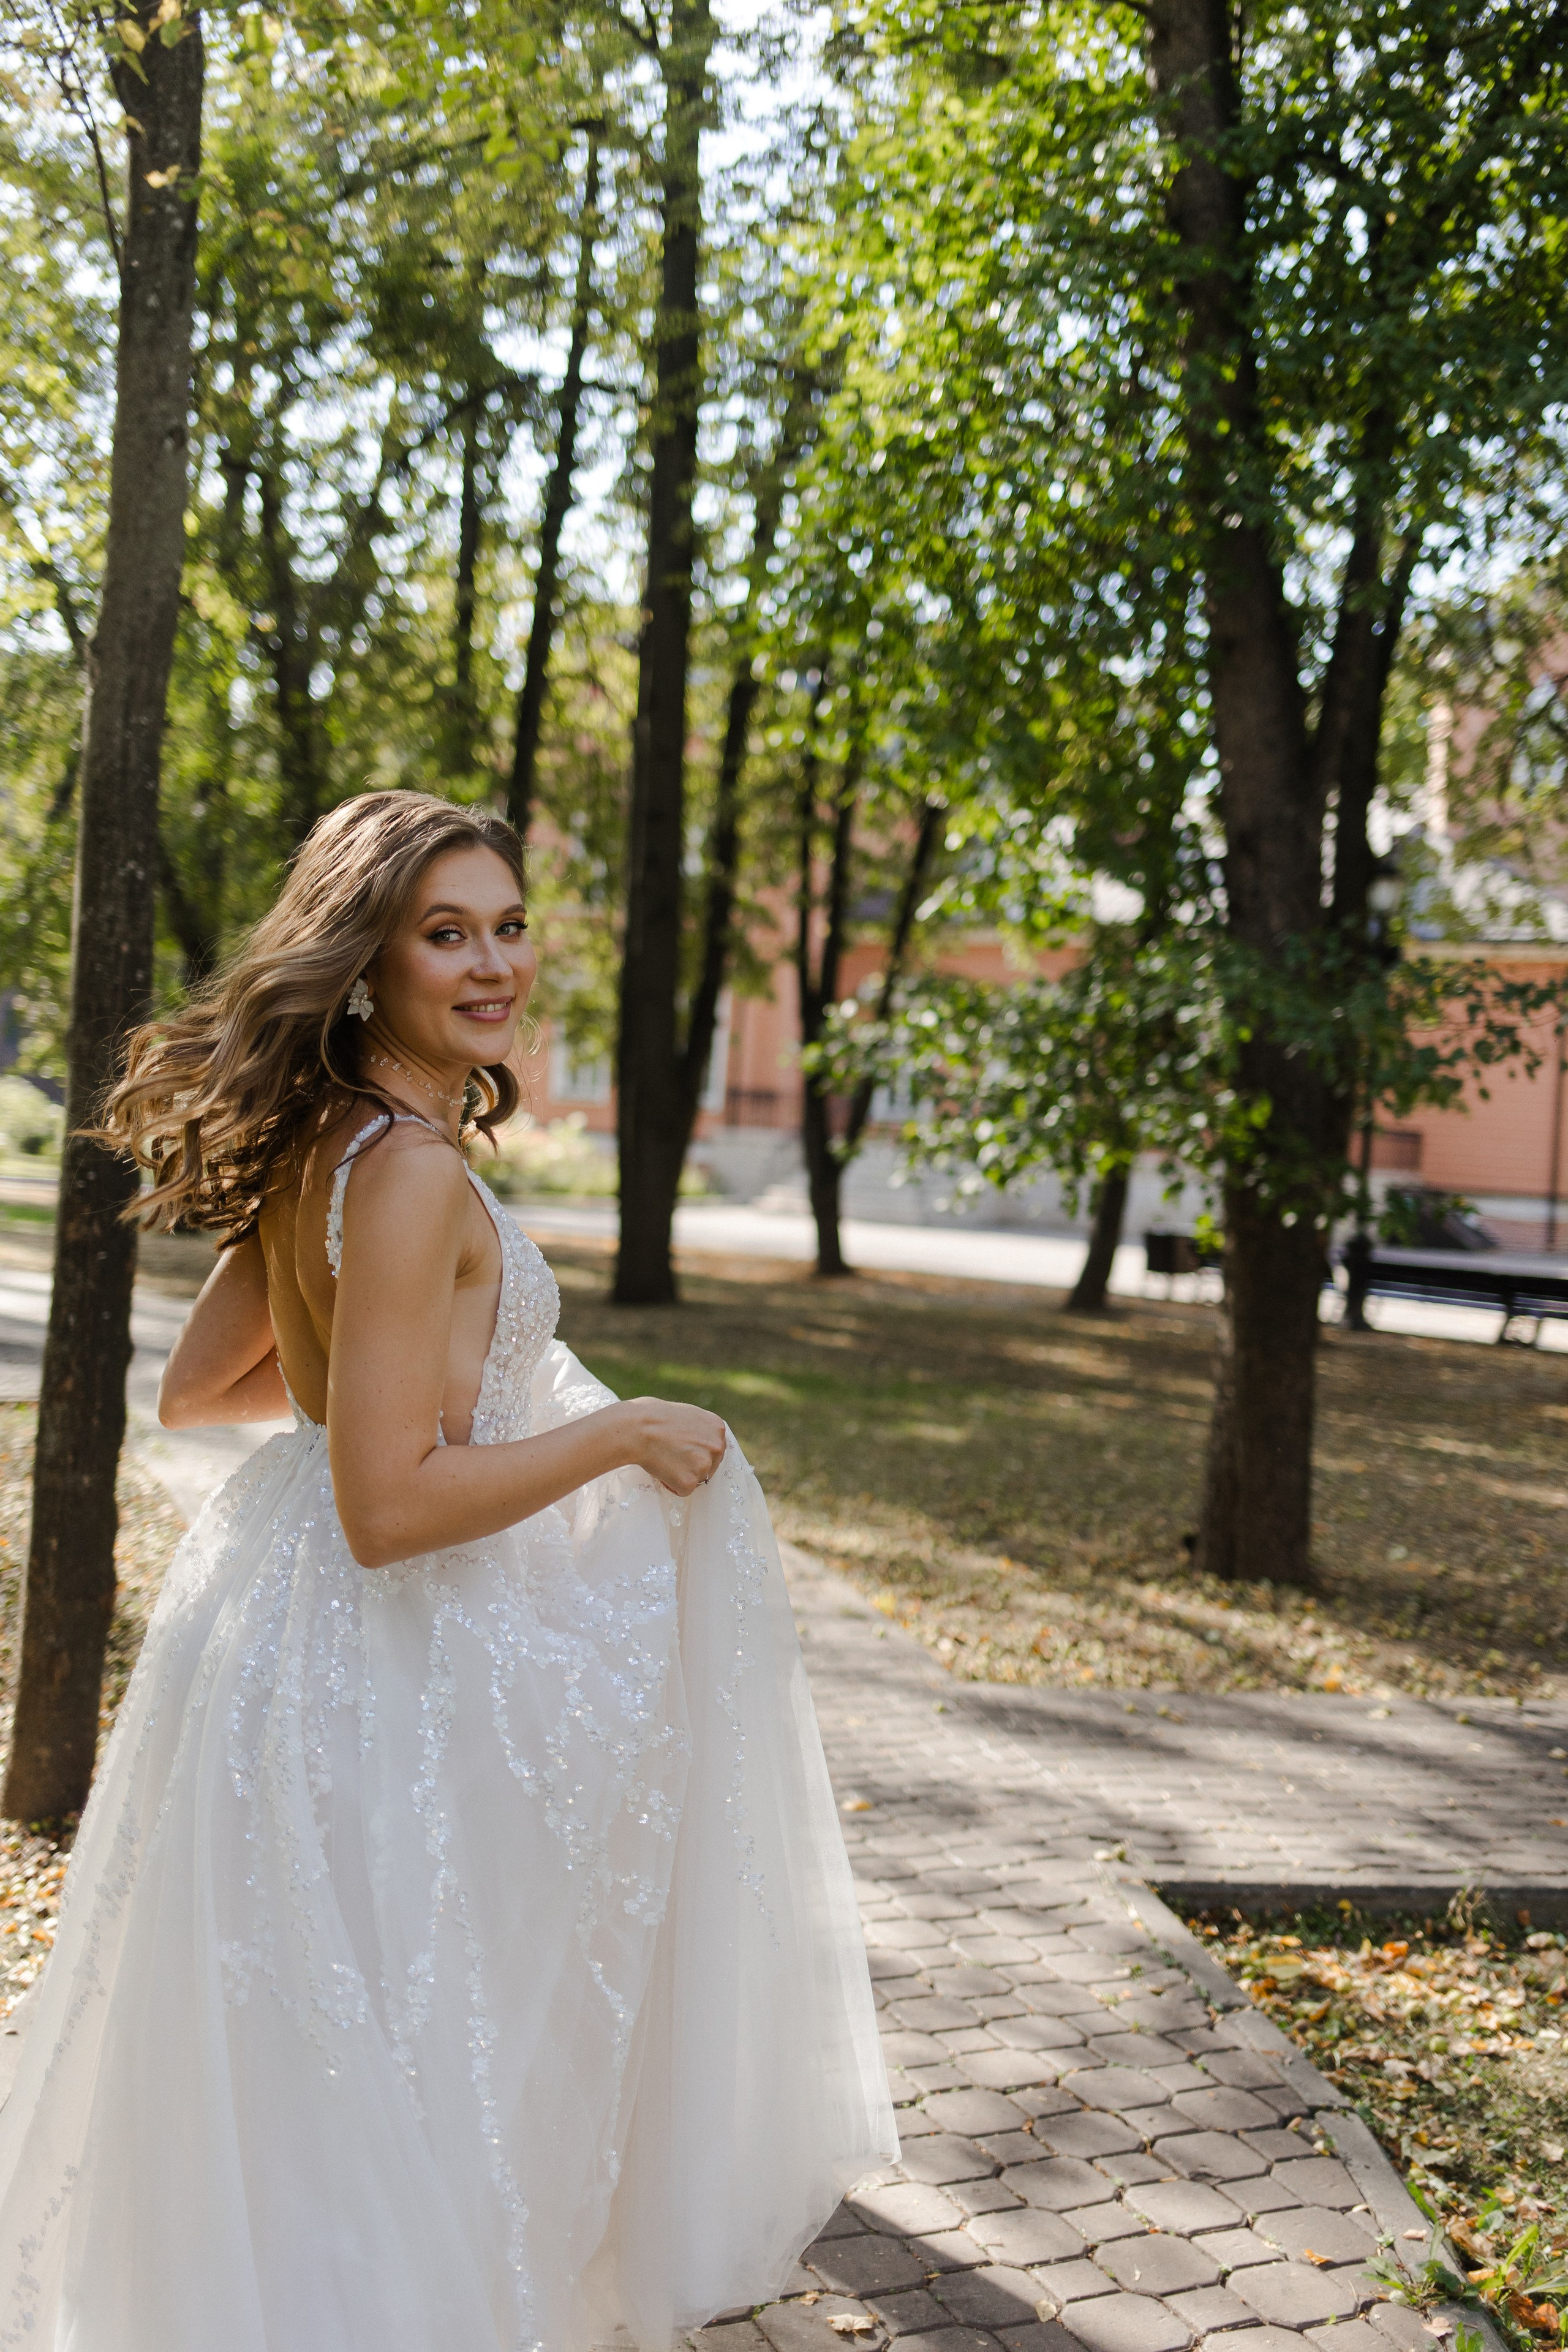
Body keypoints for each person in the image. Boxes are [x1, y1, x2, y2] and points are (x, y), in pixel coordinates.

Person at [0, 791, 895, 2352]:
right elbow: (386, 1508)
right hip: (381, 1658)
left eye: (508, 926)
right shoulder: (405, 1169)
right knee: (405, 2066)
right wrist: (612, 1435)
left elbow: (204, 1392)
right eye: (445, 933)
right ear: (367, 964)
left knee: (315, 2072)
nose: (493, 965)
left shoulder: (325, 1143)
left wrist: (387, 1378)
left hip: (274, 1633)